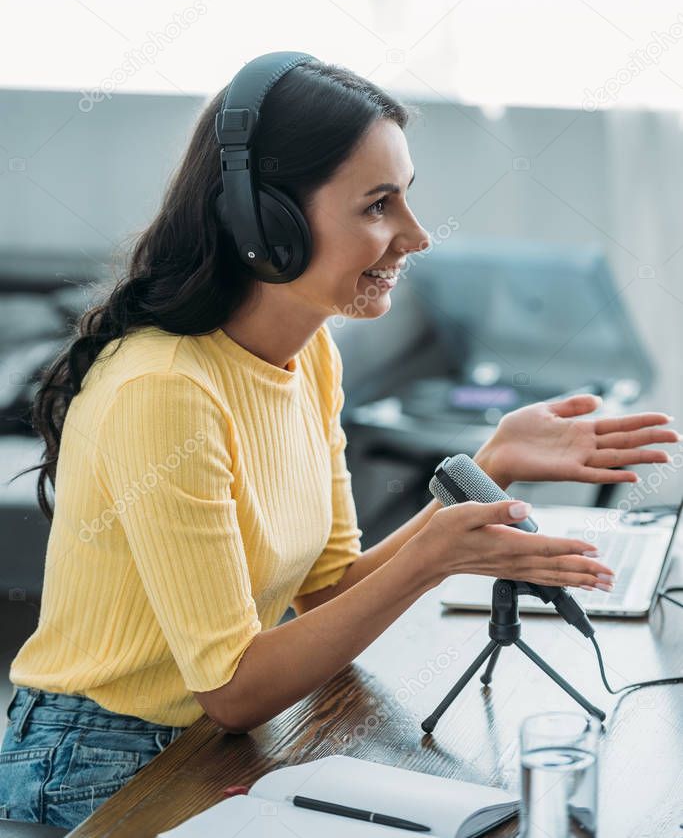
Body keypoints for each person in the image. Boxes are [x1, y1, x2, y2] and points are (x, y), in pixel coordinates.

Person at [0, 58, 676, 829]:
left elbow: (326, 589)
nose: (414, 236)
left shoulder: (311, 352)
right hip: (98, 760)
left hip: (217, 737)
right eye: (377, 205)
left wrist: (481, 470)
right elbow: (234, 689)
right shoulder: (163, 389)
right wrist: (432, 556)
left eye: (405, 198)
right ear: (265, 222)